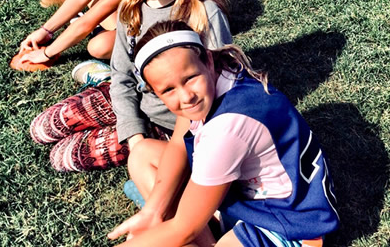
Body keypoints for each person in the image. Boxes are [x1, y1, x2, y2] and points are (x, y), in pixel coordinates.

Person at [108, 20, 340, 247]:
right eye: (168, 89)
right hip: (250, 193)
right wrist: (153, 211)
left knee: (181, 233)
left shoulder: (227, 128)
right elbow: (179, 143)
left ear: (207, 60)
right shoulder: (222, 71)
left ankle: (207, 229)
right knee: (142, 154)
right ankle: (201, 225)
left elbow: (183, 229)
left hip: (288, 223)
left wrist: (168, 228)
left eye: (190, 78)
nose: (186, 96)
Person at [29, 0, 232, 172]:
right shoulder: (131, 8)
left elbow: (222, 90)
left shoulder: (204, 13)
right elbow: (122, 76)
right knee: (42, 128)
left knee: (64, 157)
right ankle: (102, 82)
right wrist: (133, 133)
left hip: (172, 123)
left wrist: (145, 147)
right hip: (131, 99)